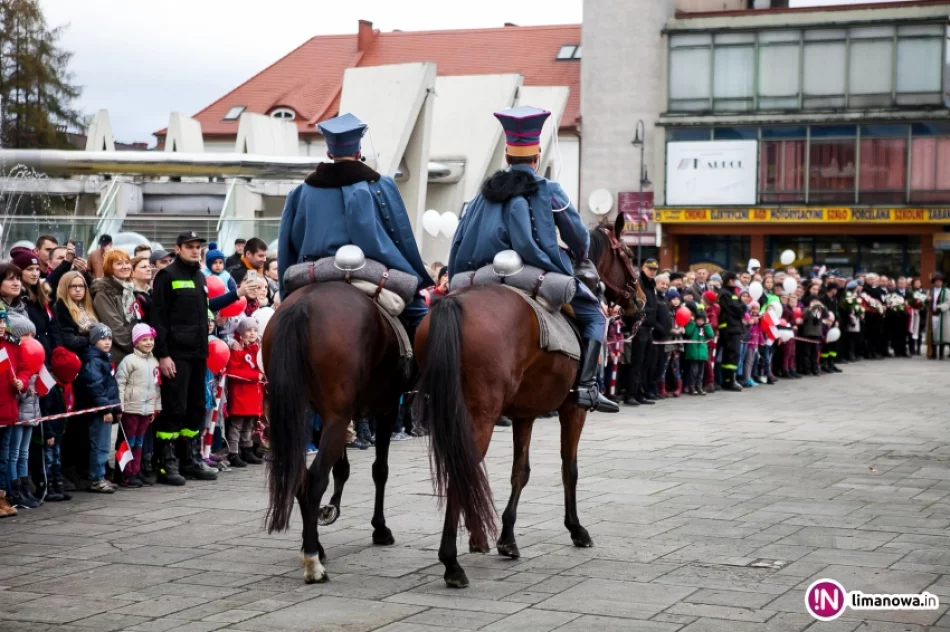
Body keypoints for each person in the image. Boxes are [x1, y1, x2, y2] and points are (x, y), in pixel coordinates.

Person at [447, 106, 617, 413]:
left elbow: (460, 238)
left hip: (479, 275)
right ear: (536, 157)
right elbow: (579, 236)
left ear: (507, 157)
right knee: (595, 315)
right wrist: (578, 257)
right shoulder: (548, 190)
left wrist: (456, 274)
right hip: (531, 274)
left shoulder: (482, 194)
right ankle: (587, 387)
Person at [278, 112, 432, 344]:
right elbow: (398, 234)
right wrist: (409, 272)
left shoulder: (302, 191)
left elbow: (290, 242)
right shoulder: (379, 185)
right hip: (370, 269)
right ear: (359, 152)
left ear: (329, 153)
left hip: (315, 271)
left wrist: (286, 285)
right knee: (421, 316)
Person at [151, 231, 250, 486]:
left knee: (195, 408)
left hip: (198, 353)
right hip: (176, 354)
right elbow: (158, 318)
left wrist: (237, 293)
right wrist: (163, 355)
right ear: (178, 248)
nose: (195, 251)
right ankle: (167, 464)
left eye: (198, 247)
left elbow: (209, 305)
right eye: (190, 247)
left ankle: (190, 460)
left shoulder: (199, 276)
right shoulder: (167, 276)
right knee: (175, 409)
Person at [1, 313, 42, 508]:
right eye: (27, 335)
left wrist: (25, 382)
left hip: (22, 412)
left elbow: (24, 373)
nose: (31, 340)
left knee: (19, 453)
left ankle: (22, 490)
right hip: (14, 412)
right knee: (12, 453)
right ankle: (13, 490)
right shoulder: (8, 350)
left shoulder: (19, 352)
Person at [76, 323, 121, 493]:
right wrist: (106, 409)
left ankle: (100, 476)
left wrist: (115, 408)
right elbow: (96, 387)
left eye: (109, 338)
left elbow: (110, 387)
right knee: (100, 445)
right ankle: (97, 478)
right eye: (102, 338)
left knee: (103, 444)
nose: (107, 341)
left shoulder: (104, 359)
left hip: (106, 409)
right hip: (100, 412)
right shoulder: (93, 361)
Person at [115, 324, 161, 488]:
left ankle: (136, 471)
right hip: (131, 408)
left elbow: (156, 386)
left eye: (150, 339)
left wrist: (156, 407)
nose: (149, 342)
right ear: (135, 342)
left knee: (139, 442)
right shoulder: (129, 361)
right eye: (144, 340)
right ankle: (125, 474)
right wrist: (119, 406)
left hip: (146, 409)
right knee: (129, 441)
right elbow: (120, 384)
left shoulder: (154, 361)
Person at [224, 317, 264, 468]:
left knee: (249, 424)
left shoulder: (258, 350)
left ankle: (247, 448)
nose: (252, 333)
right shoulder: (237, 350)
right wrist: (255, 376)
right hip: (241, 393)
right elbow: (233, 372)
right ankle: (233, 452)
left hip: (253, 393)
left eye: (255, 330)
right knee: (237, 425)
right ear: (241, 333)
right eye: (248, 330)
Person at [91, 250, 137, 365]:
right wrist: (137, 347)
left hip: (134, 352)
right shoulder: (103, 292)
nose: (125, 266)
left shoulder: (130, 289)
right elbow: (115, 328)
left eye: (127, 262)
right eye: (119, 263)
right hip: (119, 356)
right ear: (110, 268)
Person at [623, 259, 658, 407]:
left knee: (646, 363)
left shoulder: (651, 284)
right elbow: (636, 305)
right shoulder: (639, 283)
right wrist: (640, 319)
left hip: (649, 328)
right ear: (643, 268)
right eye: (650, 269)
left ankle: (639, 393)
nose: (653, 271)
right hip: (639, 327)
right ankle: (630, 394)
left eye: (655, 269)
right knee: (636, 364)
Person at [717, 271, 746, 392]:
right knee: (731, 354)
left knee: (733, 354)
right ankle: (728, 381)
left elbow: (740, 308)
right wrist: (742, 306)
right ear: (730, 281)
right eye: (735, 280)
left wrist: (741, 306)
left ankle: (730, 379)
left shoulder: (731, 293)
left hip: (734, 327)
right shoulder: (725, 294)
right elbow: (737, 309)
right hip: (729, 328)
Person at [684, 309, 713, 395]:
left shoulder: (704, 328)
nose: (700, 322)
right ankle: (691, 387)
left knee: (701, 372)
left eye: (702, 320)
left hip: (702, 354)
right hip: (693, 353)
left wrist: (707, 325)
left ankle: (699, 386)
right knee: (693, 371)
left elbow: (711, 335)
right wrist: (692, 323)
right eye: (698, 320)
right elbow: (687, 332)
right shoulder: (693, 326)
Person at [927, 273, 950, 360]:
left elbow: (949, 302)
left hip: (942, 315)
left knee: (941, 334)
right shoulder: (931, 291)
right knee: (933, 333)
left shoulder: (946, 291)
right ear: (934, 282)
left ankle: (941, 354)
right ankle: (933, 353)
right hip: (932, 315)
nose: (938, 283)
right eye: (936, 281)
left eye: (940, 281)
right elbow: (927, 301)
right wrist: (927, 300)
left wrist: (940, 308)